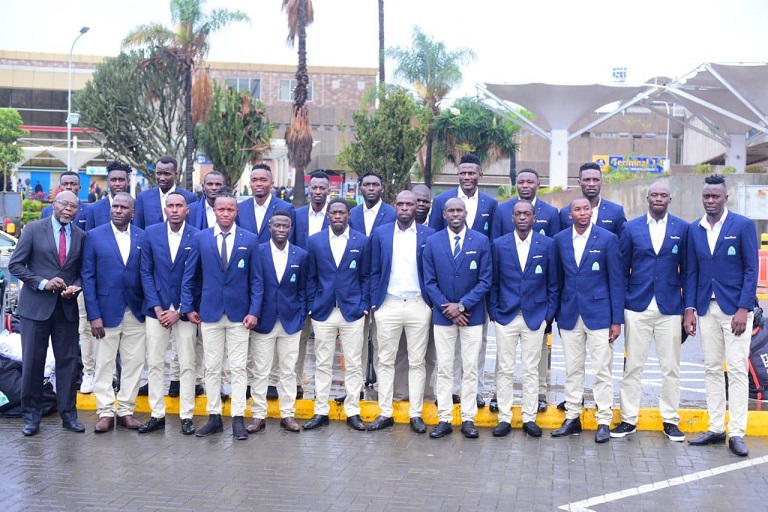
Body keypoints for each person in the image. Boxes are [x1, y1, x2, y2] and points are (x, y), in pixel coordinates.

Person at [684, 174, 758, 457]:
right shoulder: (695, 229)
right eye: (706, 196)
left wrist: (743, 307)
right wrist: (689, 309)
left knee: (737, 370)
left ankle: (737, 432)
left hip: (735, 311)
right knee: (712, 369)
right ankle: (716, 428)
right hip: (706, 309)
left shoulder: (742, 225)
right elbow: (692, 272)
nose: (710, 200)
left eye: (715, 196)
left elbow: (752, 270)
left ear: (726, 197)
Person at [180, 193, 262, 440]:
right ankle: (214, 416)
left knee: (238, 368)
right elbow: (190, 276)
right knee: (212, 367)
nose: (225, 213)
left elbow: (257, 280)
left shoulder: (250, 239)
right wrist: (188, 307)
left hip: (240, 314)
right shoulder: (201, 238)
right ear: (214, 211)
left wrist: (254, 311)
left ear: (237, 212)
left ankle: (238, 417)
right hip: (210, 312)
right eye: (221, 209)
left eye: (230, 210)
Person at [612, 182, 688, 442]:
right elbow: (621, 270)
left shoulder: (682, 228)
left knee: (671, 368)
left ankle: (670, 420)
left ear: (670, 198)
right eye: (654, 195)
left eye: (663, 195)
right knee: (633, 366)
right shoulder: (630, 228)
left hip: (670, 307)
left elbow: (687, 272)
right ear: (647, 198)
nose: (658, 198)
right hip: (637, 306)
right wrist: (621, 306)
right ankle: (628, 419)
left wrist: (688, 309)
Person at [9, 191, 86, 436]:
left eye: (73, 206)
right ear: (54, 204)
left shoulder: (81, 236)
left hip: (66, 309)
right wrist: (42, 283)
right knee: (33, 363)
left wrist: (75, 285)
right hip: (35, 309)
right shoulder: (33, 229)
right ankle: (31, 417)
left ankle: (69, 415)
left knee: (68, 364)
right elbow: (15, 265)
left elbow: (82, 270)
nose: (68, 209)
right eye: (64, 204)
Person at [551, 197, 624, 443]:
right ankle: (573, 417)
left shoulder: (607, 239)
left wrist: (616, 320)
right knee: (572, 369)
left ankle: (603, 420)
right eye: (576, 210)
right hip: (570, 315)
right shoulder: (560, 240)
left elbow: (616, 281)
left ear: (592, 212)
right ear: (569, 214)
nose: (582, 213)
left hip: (600, 315)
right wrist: (558, 316)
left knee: (602, 370)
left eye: (586, 209)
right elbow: (557, 281)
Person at [429, 153, 497, 409]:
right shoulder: (442, 200)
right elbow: (436, 240)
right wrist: (450, 304)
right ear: (458, 175)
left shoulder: (490, 203)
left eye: (472, 173)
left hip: (477, 287)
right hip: (446, 289)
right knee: (446, 351)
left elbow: (492, 243)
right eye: (463, 173)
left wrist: (467, 302)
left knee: (476, 346)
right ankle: (449, 391)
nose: (467, 177)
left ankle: (474, 389)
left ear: (480, 175)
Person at [491, 167, 561, 413]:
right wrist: (494, 313)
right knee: (504, 367)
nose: (522, 217)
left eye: (530, 181)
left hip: (536, 314)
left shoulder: (549, 229)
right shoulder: (500, 233)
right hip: (506, 314)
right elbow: (494, 278)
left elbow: (553, 281)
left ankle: (531, 412)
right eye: (521, 181)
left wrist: (548, 315)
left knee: (533, 367)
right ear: (512, 217)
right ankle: (504, 414)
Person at [423, 198, 491, 439]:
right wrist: (448, 309)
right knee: (444, 368)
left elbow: (485, 280)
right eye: (450, 210)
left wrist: (462, 306)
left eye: (459, 210)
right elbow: (429, 281)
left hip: (472, 316)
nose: (455, 214)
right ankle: (444, 418)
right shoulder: (432, 242)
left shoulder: (481, 242)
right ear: (444, 214)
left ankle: (468, 418)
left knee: (470, 368)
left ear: (466, 213)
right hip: (443, 317)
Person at [368, 191, 434, 433]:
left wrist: (430, 304)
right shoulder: (381, 233)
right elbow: (373, 270)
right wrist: (374, 302)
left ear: (418, 207)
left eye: (410, 204)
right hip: (388, 304)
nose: (405, 208)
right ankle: (385, 412)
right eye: (401, 204)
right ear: (394, 206)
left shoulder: (429, 235)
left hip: (419, 304)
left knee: (418, 361)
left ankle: (415, 413)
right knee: (385, 360)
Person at [303, 198, 370, 432]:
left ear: (348, 215)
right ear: (328, 216)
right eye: (334, 213)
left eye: (342, 212)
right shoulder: (315, 241)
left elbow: (366, 276)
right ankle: (321, 410)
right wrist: (312, 304)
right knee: (322, 363)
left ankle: (353, 411)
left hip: (352, 310)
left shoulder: (361, 241)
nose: (338, 216)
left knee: (353, 364)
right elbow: (310, 276)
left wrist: (363, 304)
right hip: (323, 310)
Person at [81, 192, 146, 433]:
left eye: (123, 207)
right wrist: (93, 314)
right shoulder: (94, 236)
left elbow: (146, 274)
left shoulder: (143, 236)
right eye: (115, 206)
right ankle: (106, 411)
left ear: (133, 212)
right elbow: (88, 278)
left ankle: (126, 409)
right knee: (104, 363)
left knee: (134, 363)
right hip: (105, 313)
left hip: (135, 311)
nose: (118, 210)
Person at [138, 192, 199, 435]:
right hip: (156, 311)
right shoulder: (151, 233)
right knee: (154, 363)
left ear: (187, 210)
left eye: (179, 206)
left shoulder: (197, 236)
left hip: (184, 312)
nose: (174, 209)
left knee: (187, 364)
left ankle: (186, 415)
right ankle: (157, 414)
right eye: (170, 206)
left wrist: (180, 309)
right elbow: (145, 272)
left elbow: (196, 277)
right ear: (165, 210)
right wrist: (157, 308)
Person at [247, 210, 308, 433]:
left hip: (291, 322)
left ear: (290, 229)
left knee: (288, 371)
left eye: (286, 226)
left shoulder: (300, 255)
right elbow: (253, 285)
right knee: (260, 371)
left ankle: (288, 414)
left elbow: (302, 289)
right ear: (270, 227)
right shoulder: (258, 252)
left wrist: (300, 314)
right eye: (277, 226)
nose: (281, 230)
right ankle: (258, 415)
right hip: (264, 321)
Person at [40, 172, 93, 393]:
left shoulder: (88, 212)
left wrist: (78, 283)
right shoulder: (43, 216)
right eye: (65, 184)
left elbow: (87, 251)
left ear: (80, 188)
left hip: (77, 287)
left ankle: (86, 372)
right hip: (47, 292)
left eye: (73, 184)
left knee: (83, 330)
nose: (69, 186)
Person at [349, 171, 396, 400]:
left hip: (381, 288)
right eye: (366, 184)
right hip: (356, 285)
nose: (370, 188)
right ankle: (355, 388)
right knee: (357, 342)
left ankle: (380, 388)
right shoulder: (351, 214)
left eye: (375, 184)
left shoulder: (393, 215)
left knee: (381, 341)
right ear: (360, 188)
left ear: (382, 188)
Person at [289, 171, 331, 399]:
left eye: (322, 188)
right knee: (299, 339)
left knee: (324, 345)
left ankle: (322, 391)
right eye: (314, 188)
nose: (317, 192)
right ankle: (296, 383)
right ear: (309, 189)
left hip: (326, 289)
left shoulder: (336, 215)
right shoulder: (297, 215)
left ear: (328, 191)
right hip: (301, 289)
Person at [559, 162, 626, 235]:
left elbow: (622, 243)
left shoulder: (616, 211)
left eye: (596, 180)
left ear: (601, 182)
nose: (592, 184)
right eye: (587, 180)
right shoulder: (565, 212)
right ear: (579, 183)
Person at [236, 163, 294, 243]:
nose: (258, 184)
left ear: (271, 184)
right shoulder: (241, 208)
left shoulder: (286, 208)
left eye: (263, 180)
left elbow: (289, 241)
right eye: (254, 180)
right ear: (250, 183)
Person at [133, 156, 197, 229]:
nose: (162, 178)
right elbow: (137, 229)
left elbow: (192, 228)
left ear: (175, 174)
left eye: (167, 174)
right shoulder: (143, 198)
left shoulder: (189, 198)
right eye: (159, 173)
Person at [85, 160, 131, 230]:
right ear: (108, 182)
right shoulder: (94, 209)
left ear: (128, 181)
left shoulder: (137, 207)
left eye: (121, 180)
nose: (117, 184)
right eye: (113, 180)